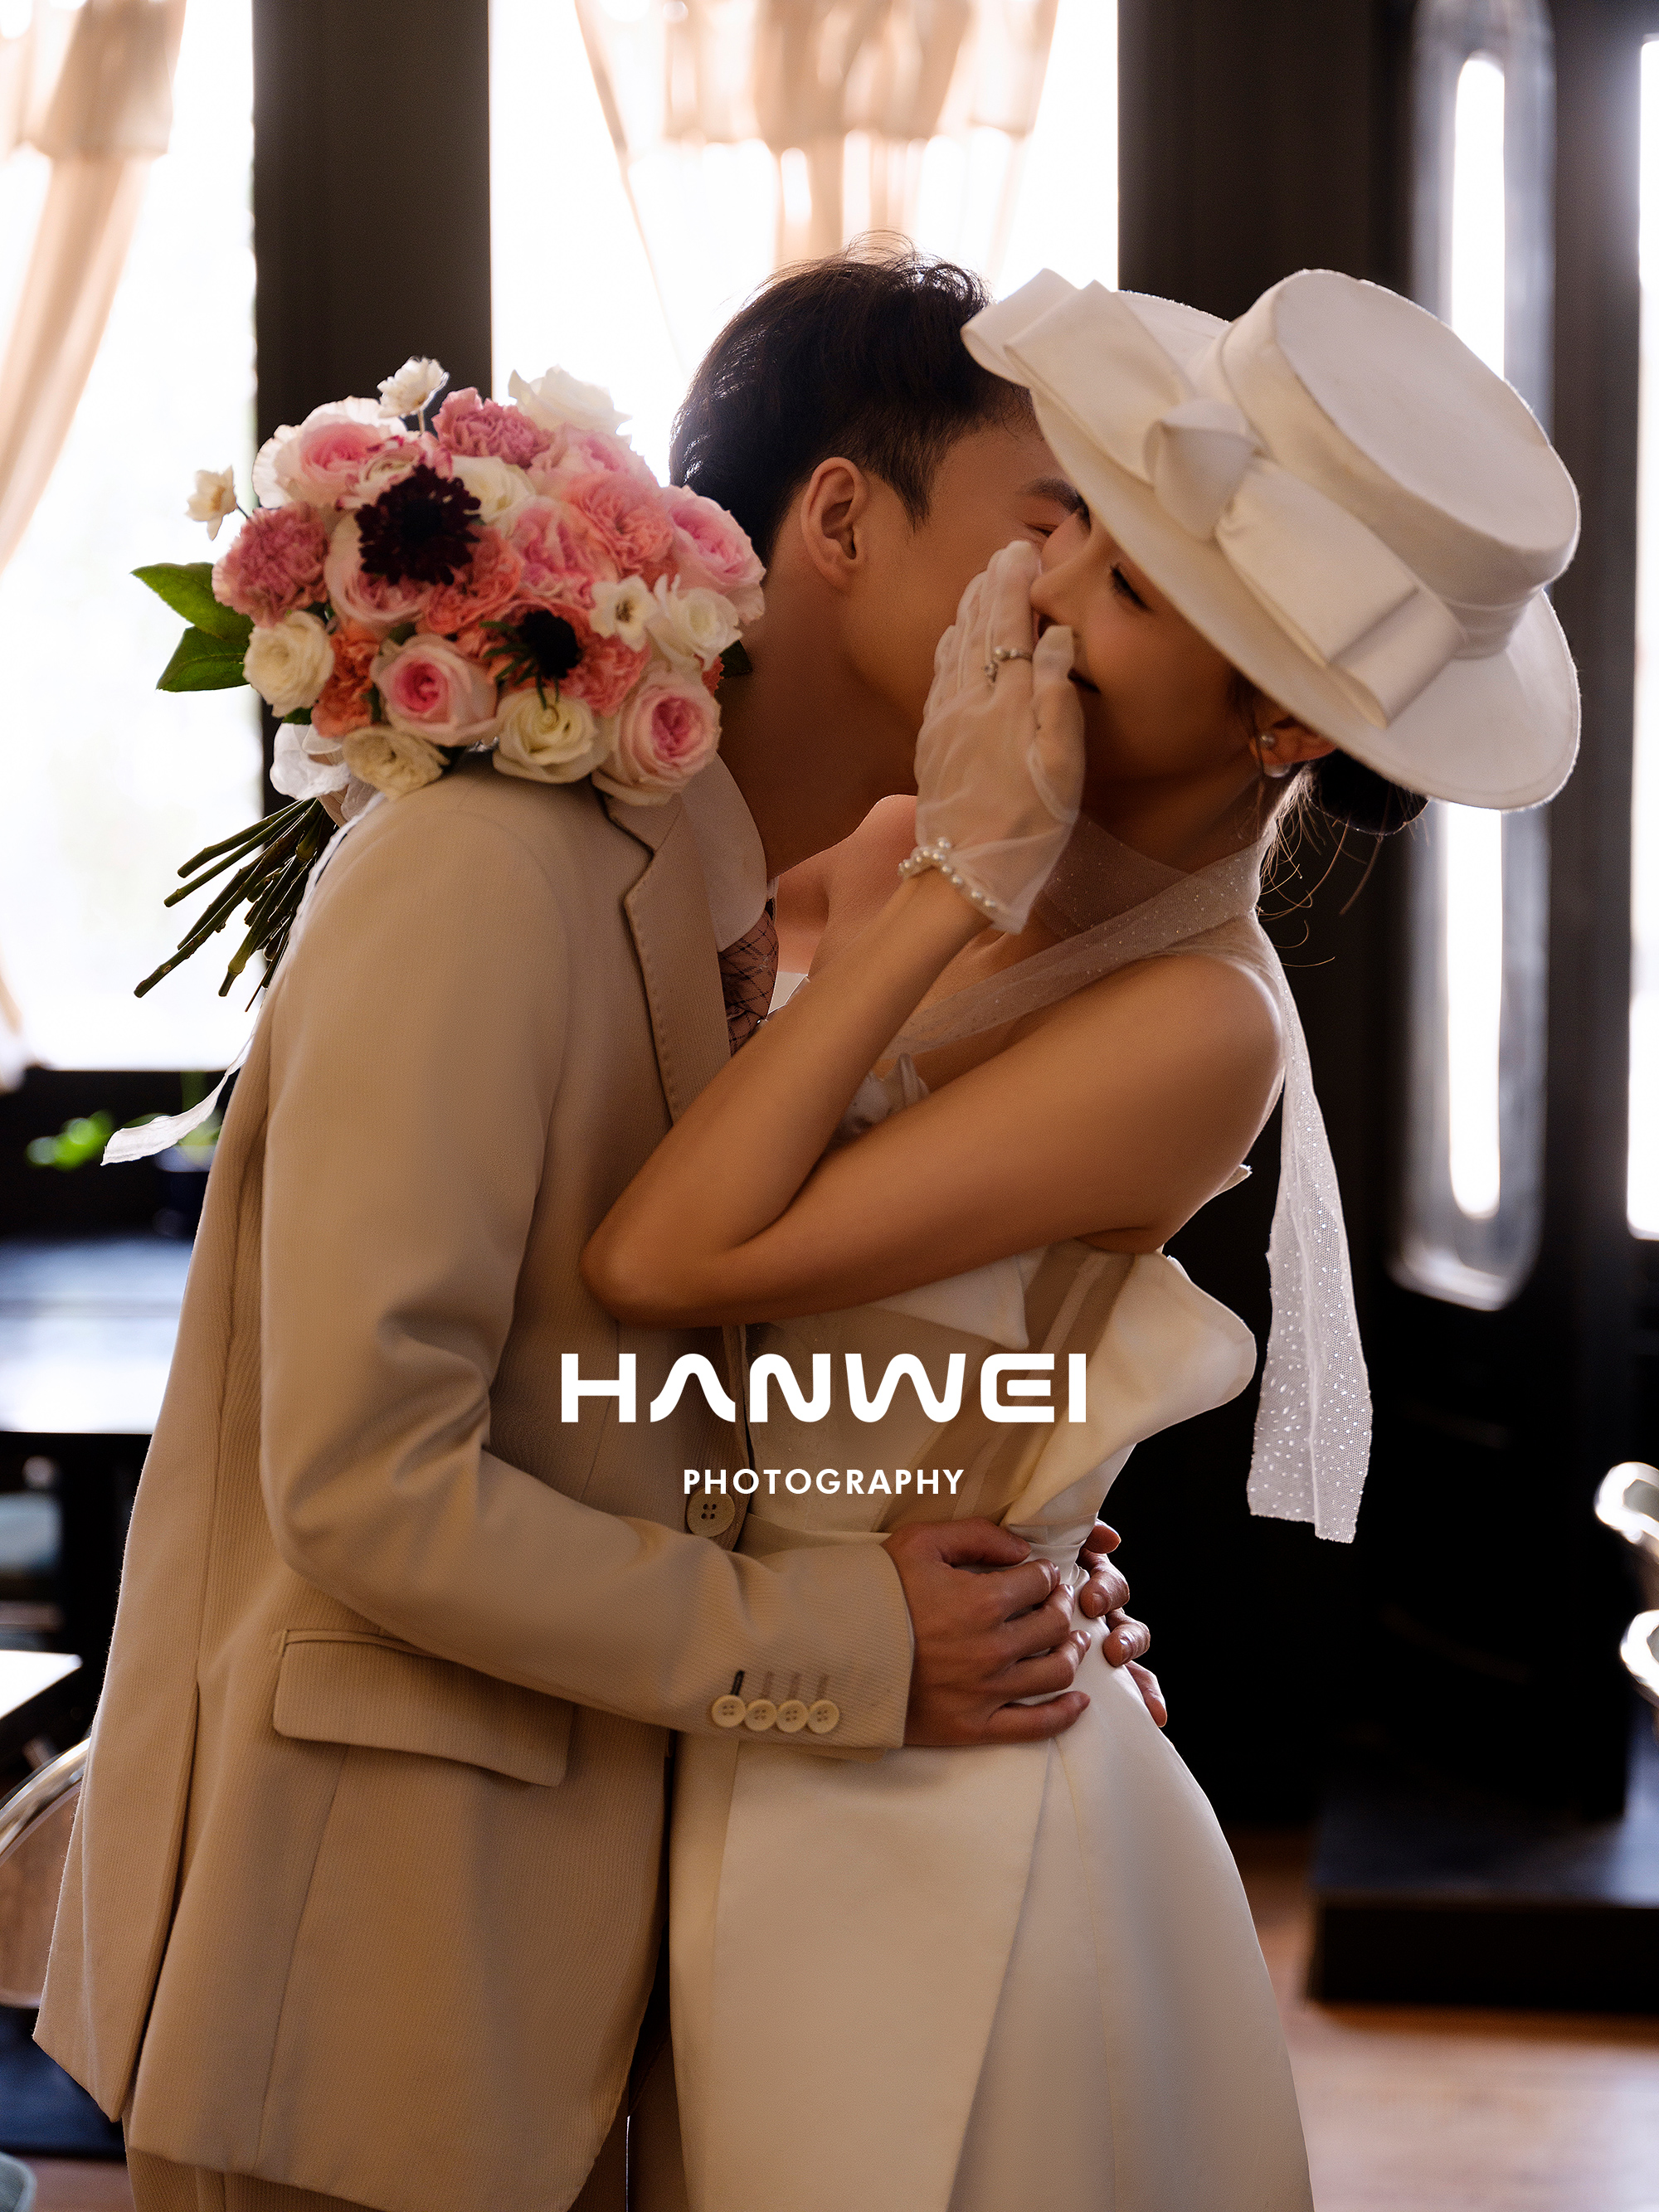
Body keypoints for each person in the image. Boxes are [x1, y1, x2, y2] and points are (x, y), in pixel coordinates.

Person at [36, 252, 1165, 2212]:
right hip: (369, 1977)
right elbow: (367, 1481)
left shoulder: (726, 897)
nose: (1066, 594)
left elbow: (644, 1404)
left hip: (579, 1962)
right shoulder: (487, 863)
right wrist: (845, 1638)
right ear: (838, 522)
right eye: (1045, 523)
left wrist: (1010, 1550)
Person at [581, 265, 1582, 2210]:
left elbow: (667, 1266)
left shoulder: (1195, 1024)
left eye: (1118, 584)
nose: (1035, 590)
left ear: (1278, 718)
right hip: (752, 1700)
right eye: (1071, 532)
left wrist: (955, 888)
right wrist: (941, 869)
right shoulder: (907, 840)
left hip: (936, 1814)